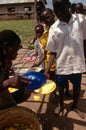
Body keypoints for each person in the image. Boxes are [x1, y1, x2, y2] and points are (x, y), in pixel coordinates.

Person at [45, 0, 86, 118]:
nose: (58, 12)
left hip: (77, 64)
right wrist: (47, 69)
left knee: (77, 87)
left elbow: (84, 40)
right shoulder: (54, 28)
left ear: (68, 5)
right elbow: (52, 51)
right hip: (62, 65)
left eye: (61, 8)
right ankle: (61, 105)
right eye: (55, 9)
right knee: (61, 88)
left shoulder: (81, 20)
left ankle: (75, 106)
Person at [0, 30, 30, 110]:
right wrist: (9, 82)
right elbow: (6, 82)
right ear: (5, 47)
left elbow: (4, 80)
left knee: (23, 94)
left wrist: (19, 84)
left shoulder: (6, 61)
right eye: (15, 50)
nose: (17, 54)